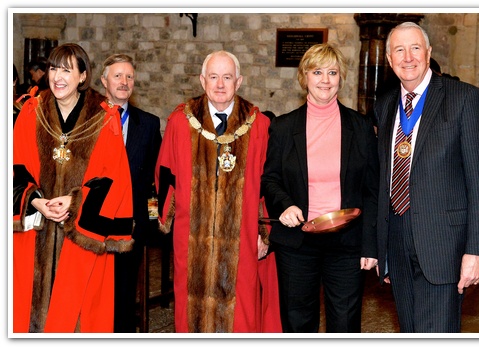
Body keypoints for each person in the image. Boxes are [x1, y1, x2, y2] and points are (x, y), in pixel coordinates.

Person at [374, 22, 479, 333]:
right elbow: (384, 178)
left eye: (415, 48)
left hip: (444, 246)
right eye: (399, 50)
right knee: (410, 331)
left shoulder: (463, 98)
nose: (408, 57)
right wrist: (382, 250)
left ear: (427, 53)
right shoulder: (385, 105)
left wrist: (476, 251)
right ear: (389, 59)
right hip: (397, 242)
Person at [155, 50, 281, 333]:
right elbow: (165, 175)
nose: (220, 85)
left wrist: (265, 234)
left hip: (243, 240)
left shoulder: (258, 125)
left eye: (227, 77)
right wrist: (164, 221)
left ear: (239, 81)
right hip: (192, 238)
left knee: (242, 311)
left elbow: (267, 184)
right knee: (191, 310)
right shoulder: (180, 122)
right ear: (202, 80)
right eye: (214, 77)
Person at [13, 43, 133, 333]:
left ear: (82, 76)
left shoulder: (104, 119)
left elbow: (114, 178)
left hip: (81, 235)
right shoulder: (31, 112)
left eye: (67, 69)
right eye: (54, 68)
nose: (58, 76)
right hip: (35, 234)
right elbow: (13, 168)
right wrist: (35, 201)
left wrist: (75, 201)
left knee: (79, 317)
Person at [261, 43, 379, 333]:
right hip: (297, 242)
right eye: (317, 72)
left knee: (345, 321)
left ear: (341, 77)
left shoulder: (361, 127)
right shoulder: (283, 127)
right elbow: (270, 178)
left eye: (332, 72)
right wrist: (285, 204)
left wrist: (371, 245)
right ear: (304, 77)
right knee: (298, 321)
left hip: (347, 243)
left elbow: (373, 189)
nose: (325, 80)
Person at [100, 53, 162, 333]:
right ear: (104, 81)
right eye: (117, 76)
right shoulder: (88, 119)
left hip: (132, 224)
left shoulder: (148, 124)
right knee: (94, 291)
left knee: (125, 293)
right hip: (94, 221)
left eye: (129, 77)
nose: (124, 82)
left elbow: (153, 180)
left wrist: (151, 220)